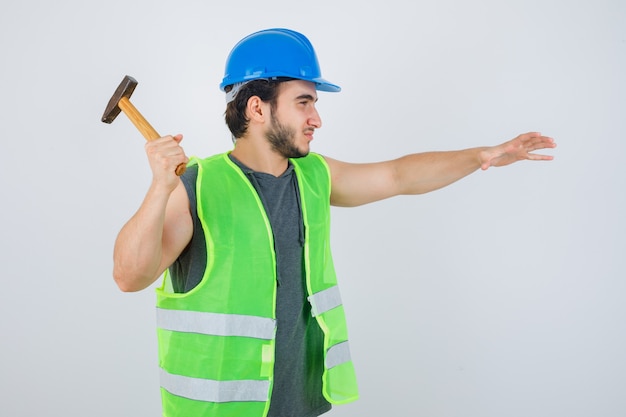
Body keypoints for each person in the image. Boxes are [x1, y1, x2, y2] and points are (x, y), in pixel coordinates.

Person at [112, 28, 556, 417]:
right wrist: (158, 188)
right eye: (303, 102)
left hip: (299, 403)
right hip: (218, 410)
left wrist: (483, 156)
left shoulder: (314, 175)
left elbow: (398, 175)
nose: (316, 119)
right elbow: (129, 276)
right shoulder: (194, 185)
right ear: (257, 108)